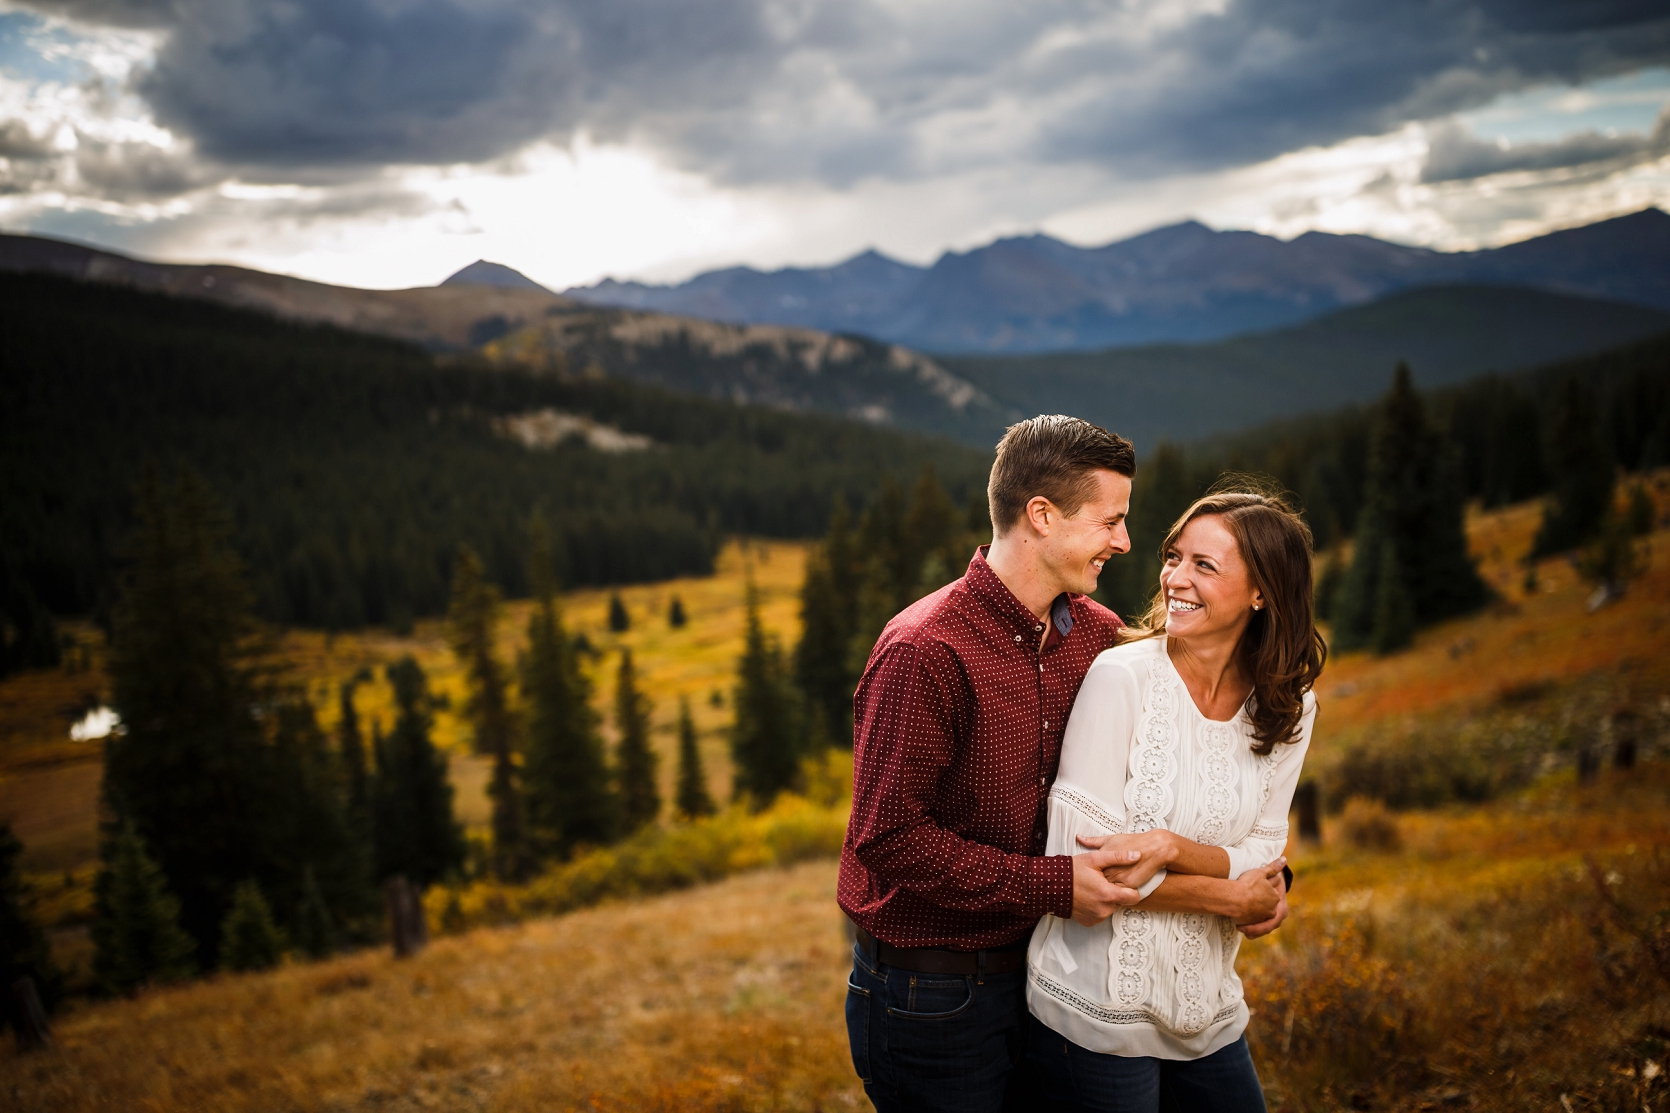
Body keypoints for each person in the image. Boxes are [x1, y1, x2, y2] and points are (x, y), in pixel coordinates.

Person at [840, 416, 1289, 1112]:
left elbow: (1193, 755)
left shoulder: (1100, 637)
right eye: (1111, 520)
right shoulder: (924, 649)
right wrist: (1052, 884)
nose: (1125, 541)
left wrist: (1261, 871)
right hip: (933, 996)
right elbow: (888, 837)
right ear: (1042, 516)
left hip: (1045, 981)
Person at [1024, 487, 1327, 1112]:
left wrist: (1168, 847)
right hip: (1097, 1012)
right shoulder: (1121, 678)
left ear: (1261, 592)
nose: (1174, 579)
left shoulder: (1289, 705)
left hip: (1209, 1007)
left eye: (1204, 565)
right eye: (1173, 557)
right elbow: (1086, 874)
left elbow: (1267, 853)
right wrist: (1229, 892)